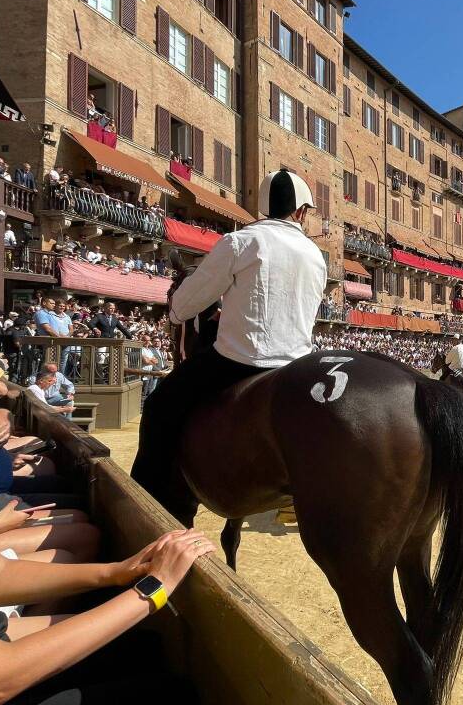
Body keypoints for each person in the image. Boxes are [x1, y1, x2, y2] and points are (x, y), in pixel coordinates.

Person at [132, 170, 327, 527]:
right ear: (301, 212)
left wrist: (175, 311)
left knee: (160, 404)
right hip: (297, 367)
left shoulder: (241, 241)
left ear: (264, 207)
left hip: (242, 361)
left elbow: (189, 303)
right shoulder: (316, 255)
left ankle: (147, 502)